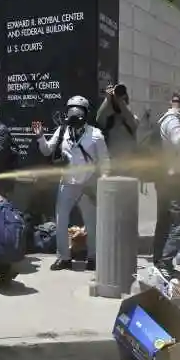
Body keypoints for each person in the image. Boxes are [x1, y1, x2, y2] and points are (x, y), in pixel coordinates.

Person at [35, 95, 109, 272]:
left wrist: (104, 180)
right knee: (61, 221)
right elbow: (47, 150)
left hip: (88, 183)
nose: (74, 115)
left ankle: (93, 257)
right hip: (67, 183)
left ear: (85, 113)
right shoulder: (62, 131)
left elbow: (105, 161)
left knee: (91, 222)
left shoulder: (96, 135)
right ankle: (64, 257)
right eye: (71, 111)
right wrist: (40, 137)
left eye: (78, 111)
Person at [152, 89, 180, 278]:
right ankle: (165, 261)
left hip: (167, 177)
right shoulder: (173, 120)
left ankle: (159, 260)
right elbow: (179, 142)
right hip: (175, 177)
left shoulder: (168, 119)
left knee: (165, 220)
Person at [96, 83, 138, 165]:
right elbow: (99, 120)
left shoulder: (132, 118)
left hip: (129, 161)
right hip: (113, 162)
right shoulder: (109, 119)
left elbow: (132, 123)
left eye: (123, 99)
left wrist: (119, 101)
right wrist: (108, 100)